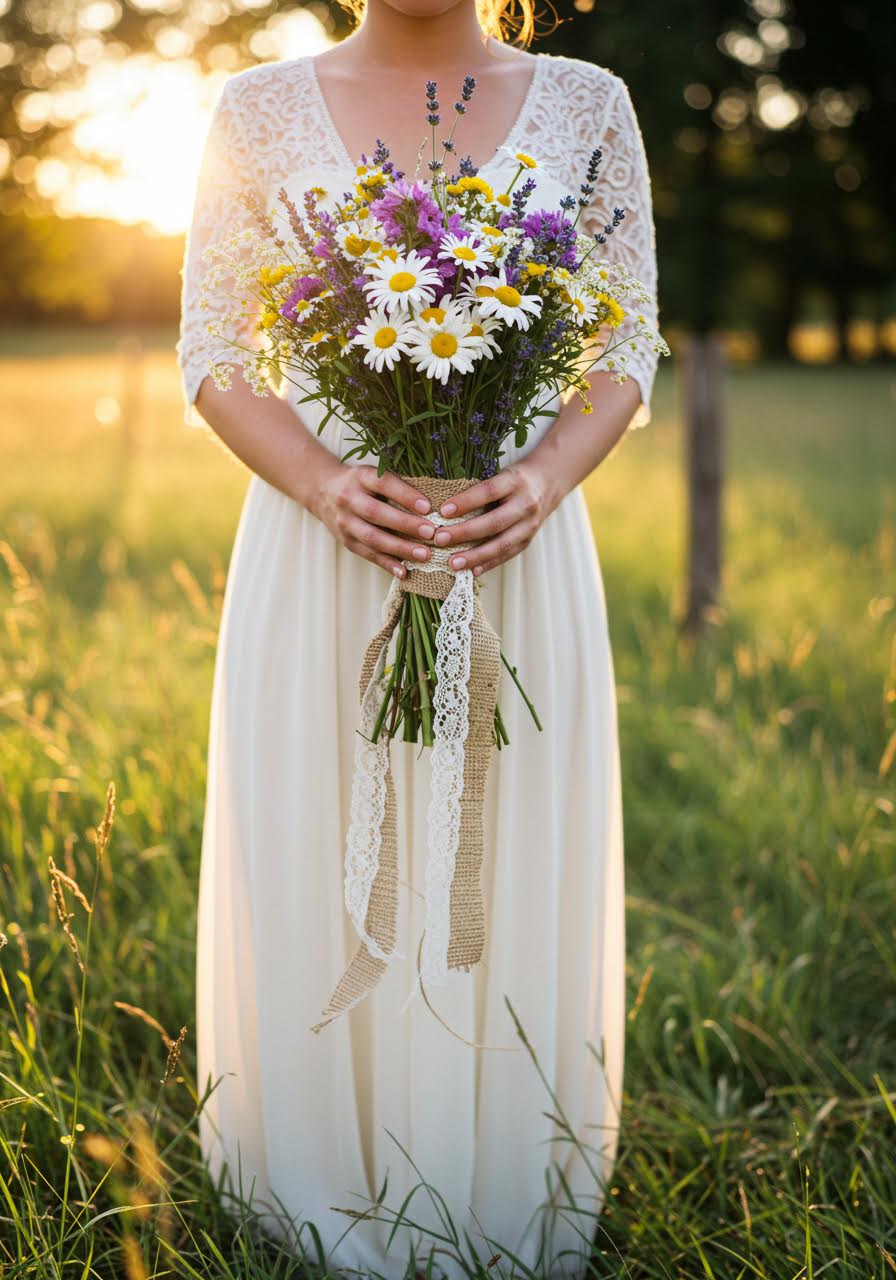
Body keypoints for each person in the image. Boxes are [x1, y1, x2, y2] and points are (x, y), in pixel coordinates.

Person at [176, 0, 660, 1273]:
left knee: (503, 837)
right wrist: (330, 486)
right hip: (325, 541)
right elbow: (218, 349)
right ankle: (324, 1171)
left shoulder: (589, 103)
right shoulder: (253, 111)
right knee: (322, 818)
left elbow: (624, 336)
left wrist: (543, 477)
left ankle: (495, 1172)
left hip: (512, 542)